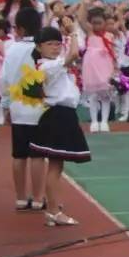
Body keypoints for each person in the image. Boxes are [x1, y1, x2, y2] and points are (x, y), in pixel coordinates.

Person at [29, 26, 91, 226]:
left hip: (63, 115)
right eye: (50, 44)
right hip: (58, 115)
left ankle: (53, 208)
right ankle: (53, 210)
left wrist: (69, 34)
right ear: (39, 47)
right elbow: (73, 53)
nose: (55, 47)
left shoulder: (52, 64)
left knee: (57, 165)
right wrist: (72, 32)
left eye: (57, 43)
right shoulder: (46, 66)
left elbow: (72, 53)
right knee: (55, 166)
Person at [0, 7, 47, 211]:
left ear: (19, 28)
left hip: (19, 105)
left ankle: (20, 198)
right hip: (39, 107)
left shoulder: (12, 48)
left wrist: (6, 104)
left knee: (19, 154)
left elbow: (4, 79)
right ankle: (37, 198)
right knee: (38, 154)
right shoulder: (43, 48)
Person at [78, 7, 117, 133]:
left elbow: (113, 53)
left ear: (105, 23)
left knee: (105, 95)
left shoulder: (109, 35)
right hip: (92, 67)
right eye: (94, 23)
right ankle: (94, 121)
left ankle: (104, 122)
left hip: (105, 66)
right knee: (94, 96)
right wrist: (84, 5)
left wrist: (115, 68)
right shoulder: (90, 33)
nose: (97, 25)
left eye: (100, 23)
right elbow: (81, 20)